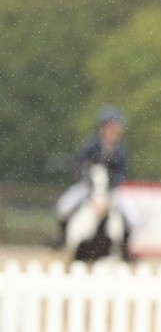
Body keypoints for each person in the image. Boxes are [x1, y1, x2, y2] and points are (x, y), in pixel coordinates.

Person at [53, 106, 133, 259]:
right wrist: (90, 184)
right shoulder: (92, 144)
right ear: (105, 126)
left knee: (130, 212)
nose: (118, 129)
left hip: (111, 189)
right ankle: (61, 239)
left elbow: (123, 172)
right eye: (115, 125)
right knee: (64, 204)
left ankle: (125, 248)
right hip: (89, 186)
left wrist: (110, 188)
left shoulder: (121, 148)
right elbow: (80, 165)